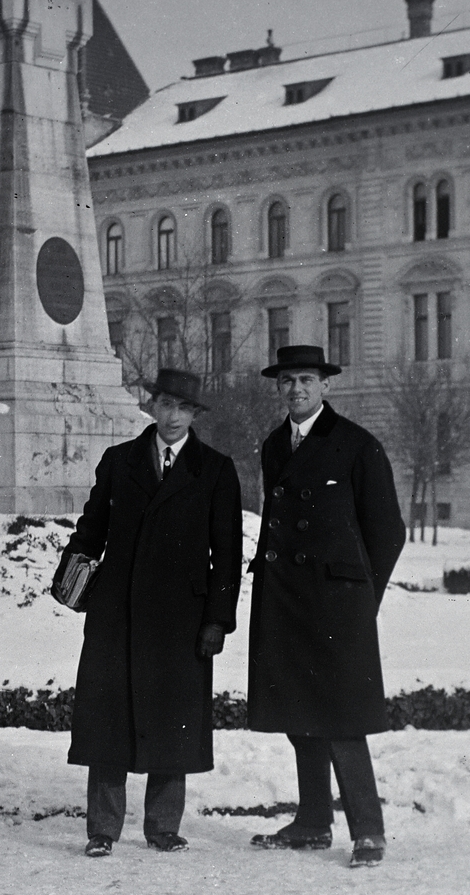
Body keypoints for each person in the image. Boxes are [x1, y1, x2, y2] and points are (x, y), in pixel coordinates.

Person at [56, 367, 243, 857]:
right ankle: (102, 829)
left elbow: (227, 554)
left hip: (181, 618)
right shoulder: (119, 462)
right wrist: (70, 579)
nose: (174, 416)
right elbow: (91, 530)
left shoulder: (216, 469)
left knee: (173, 720)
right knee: (107, 721)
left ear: (194, 414)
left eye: (184, 408)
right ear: (152, 406)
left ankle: (162, 826)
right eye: (166, 405)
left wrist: (217, 620)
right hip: (117, 612)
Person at [245, 345, 406, 868]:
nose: (297, 389)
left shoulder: (358, 445)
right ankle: (314, 822)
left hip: (337, 605)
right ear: (279, 388)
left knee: (342, 718)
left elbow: (388, 531)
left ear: (326, 386)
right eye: (288, 381)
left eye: (307, 380)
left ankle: (369, 832)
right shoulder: (274, 445)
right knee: (298, 713)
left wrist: (361, 597)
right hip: (286, 599)